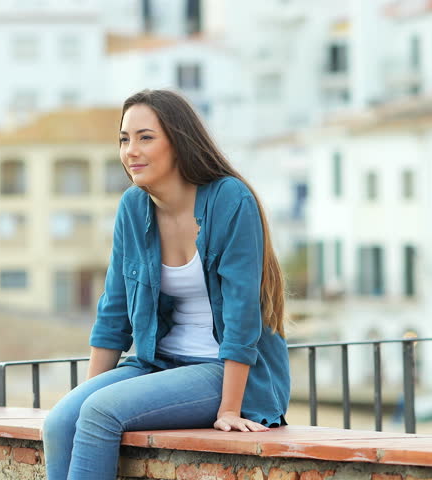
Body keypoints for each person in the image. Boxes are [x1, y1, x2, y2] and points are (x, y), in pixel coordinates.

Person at [42, 89, 291, 479]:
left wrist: (229, 409)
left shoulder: (229, 199)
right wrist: (92, 391)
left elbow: (243, 313)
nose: (131, 151)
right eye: (124, 139)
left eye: (145, 138)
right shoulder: (133, 207)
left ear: (178, 141)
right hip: (157, 364)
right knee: (61, 421)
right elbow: (113, 312)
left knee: (101, 413)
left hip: (222, 370)